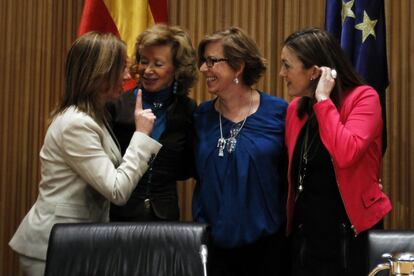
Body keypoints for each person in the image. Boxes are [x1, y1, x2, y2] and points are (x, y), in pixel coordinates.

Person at [9, 32, 162, 276]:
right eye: (120, 68)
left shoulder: (94, 116)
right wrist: (142, 136)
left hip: (76, 242)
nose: (128, 76)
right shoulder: (77, 123)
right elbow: (117, 190)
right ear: (100, 74)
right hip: (52, 247)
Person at [280, 27, 392, 276]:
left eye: (287, 65)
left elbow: (346, 153)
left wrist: (323, 99)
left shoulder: (364, 98)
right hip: (305, 236)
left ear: (314, 71)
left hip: (348, 234)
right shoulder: (295, 109)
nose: (281, 73)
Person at [192, 26, 288, 276]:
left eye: (212, 61)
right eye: (203, 61)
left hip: (266, 249)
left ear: (238, 66)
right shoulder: (201, 116)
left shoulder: (280, 113)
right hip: (212, 248)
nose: (204, 69)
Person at [108, 24, 198, 222]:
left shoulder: (187, 110)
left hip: (164, 216)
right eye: (143, 61)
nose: (147, 70)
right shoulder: (117, 105)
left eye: (158, 64)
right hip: (119, 215)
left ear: (177, 69)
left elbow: (187, 167)